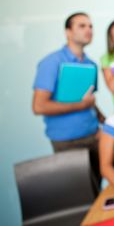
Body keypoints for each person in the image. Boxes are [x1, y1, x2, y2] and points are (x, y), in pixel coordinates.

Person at [32, 12, 103, 191]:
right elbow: (39, 106)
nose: (88, 30)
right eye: (82, 26)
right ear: (68, 32)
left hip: (94, 138)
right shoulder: (51, 62)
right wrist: (80, 105)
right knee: (81, 195)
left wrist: (105, 123)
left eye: (90, 26)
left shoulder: (90, 64)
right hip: (67, 143)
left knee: (97, 192)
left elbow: (90, 101)